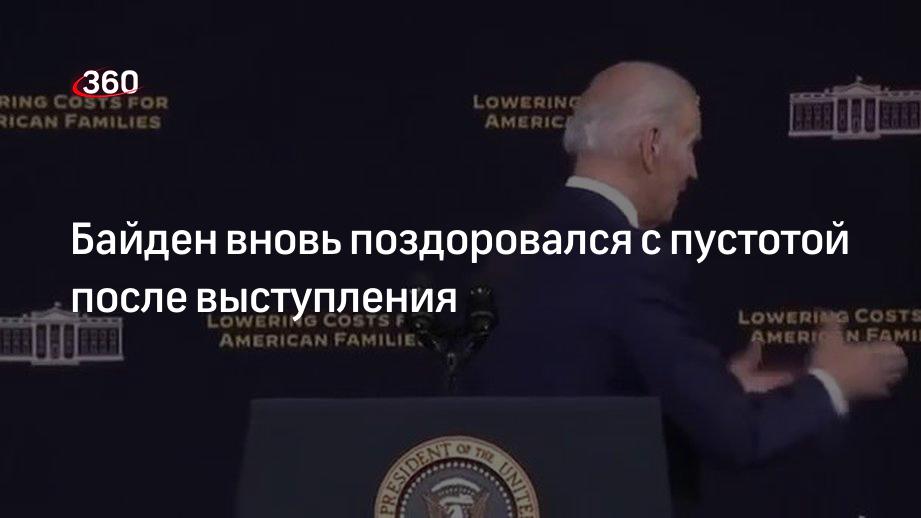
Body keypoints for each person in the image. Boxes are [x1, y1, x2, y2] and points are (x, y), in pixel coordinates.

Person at [464, 61, 907, 483]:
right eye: (690, 145)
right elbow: (736, 438)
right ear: (652, 145)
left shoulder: (505, 251)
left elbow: (578, 398)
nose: (693, 171)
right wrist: (833, 383)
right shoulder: (632, 263)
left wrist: (712, 393)